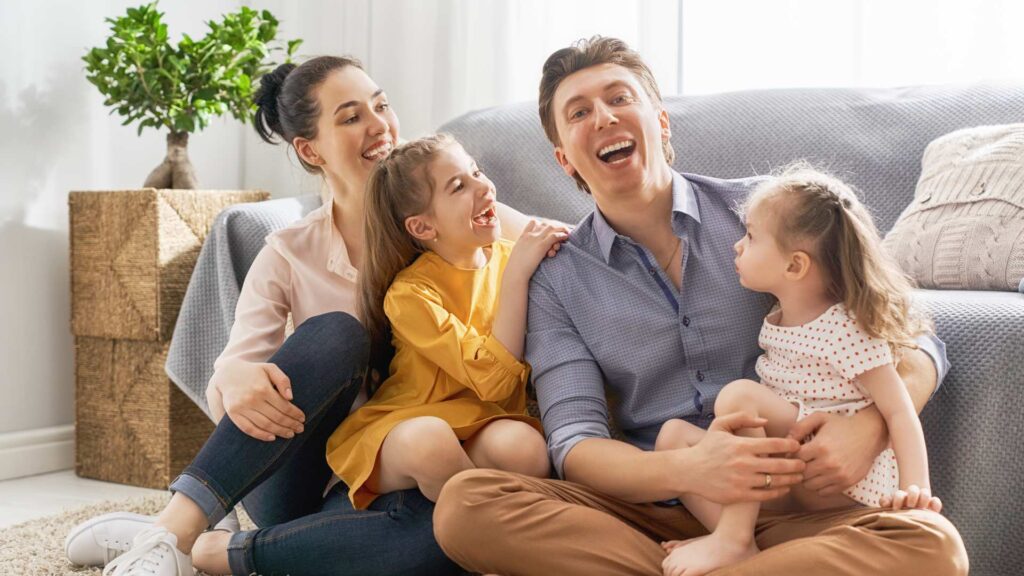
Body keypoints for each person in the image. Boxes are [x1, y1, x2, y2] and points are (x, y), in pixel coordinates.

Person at [432, 36, 968, 576]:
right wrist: (692, 469)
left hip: (796, 510)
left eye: (619, 98)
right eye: (579, 112)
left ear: (660, 122)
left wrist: (870, 426)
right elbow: (575, 445)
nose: (603, 117)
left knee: (933, 545)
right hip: (652, 513)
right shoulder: (556, 279)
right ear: (563, 157)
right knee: (466, 505)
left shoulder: (767, 211)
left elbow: (916, 337)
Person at [65, 56, 540, 576]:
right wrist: (236, 375)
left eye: (380, 105)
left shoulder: (447, 214)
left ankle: (211, 548)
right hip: (307, 474)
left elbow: (550, 238)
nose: (379, 125)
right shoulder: (290, 252)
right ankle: (174, 531)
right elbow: (231, 379)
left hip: (419, 467)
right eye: (351, 116)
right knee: (338, 334)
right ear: (310, 149)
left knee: (449, 543)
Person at [657, 166, 943, 576]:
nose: (737, 247)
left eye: (751, 237)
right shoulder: (779, 316)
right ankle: (740, 542)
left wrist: (917, 494)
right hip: (789, 473)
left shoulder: (845, 327)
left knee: (740, 397)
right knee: (671, 438)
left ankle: (733, 540)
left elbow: (898, 410)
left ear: (794, 267)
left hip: (838, 479)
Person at [327, 133, 564, 510]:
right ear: (423, 228)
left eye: (476, 171)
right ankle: (484, 540)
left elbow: (499, 398)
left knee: (527, 449)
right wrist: (519, 273)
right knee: (431, 443)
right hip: (408, 425)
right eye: (459, 186)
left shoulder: (510, 258)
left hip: (481, 420)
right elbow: (491, 378)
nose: (483, 186)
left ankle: (455, 510)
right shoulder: (408, 296)